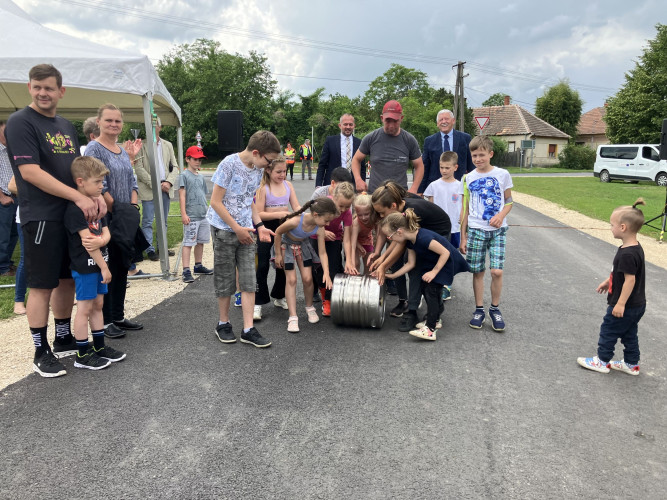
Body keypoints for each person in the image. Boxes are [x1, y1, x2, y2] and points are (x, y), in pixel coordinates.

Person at [5, 64, 106, 378]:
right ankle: (40, 350)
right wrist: (79, 198)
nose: (42, 93)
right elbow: (29, 173)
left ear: (61, 91)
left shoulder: (65, 124)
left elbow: (79, 167)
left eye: (48, 88)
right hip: (41, 217)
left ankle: (63, 337)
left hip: (67, 216)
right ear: (29, 88)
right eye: (37, 87)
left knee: (65, 279)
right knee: (41, 285)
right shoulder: (20, 122)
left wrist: (95, 193)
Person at [207, 130, 279, 348]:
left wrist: (260, 226)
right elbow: (215, 202)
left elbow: (250, 202)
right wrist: (236, 228)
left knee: (249, 279)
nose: (269, 166)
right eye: (268, 161)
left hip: (247, 231)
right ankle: (223, 323)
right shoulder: (228, 164)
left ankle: (248, 329)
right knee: (225, 278)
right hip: (224, 230)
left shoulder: (257, 170)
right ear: (256, 152)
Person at [85, 103, 144, 338]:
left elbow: (132, 180)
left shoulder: (120, 150)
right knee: (107, 268)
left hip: (124, 215)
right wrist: (117, 209)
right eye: (108, 120)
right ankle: (106, 319)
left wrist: (131, 207)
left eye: (117, 121)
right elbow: (98, 183)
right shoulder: (94, 148)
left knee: (121, 265)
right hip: (106, 217)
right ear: (98, 122)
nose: (113, 124)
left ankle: (118, 315)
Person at [64, 156, 126, 369]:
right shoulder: (75, 210)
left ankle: (99, 346)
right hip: (87, 267)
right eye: (97, 182)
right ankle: (82, 354)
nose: (102, 186)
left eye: (102, 182)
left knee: (98, 305)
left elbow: (105, 234)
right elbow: (89, 244)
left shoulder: (98, 206)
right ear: (81, 181)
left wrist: (102, 240)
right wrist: (104, 266)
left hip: (100, 264)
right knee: (84, 308)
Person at [369, 181, 451, 332]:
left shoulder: (412, 212)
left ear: (393, 206)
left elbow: (401, 244)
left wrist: (383, 266)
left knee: (418, 269)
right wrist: (383, 257)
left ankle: (415, 311)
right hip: (419, 233)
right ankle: (406, 302)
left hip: (438, 234)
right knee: (406, 263)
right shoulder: (398, 212)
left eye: (381, 213)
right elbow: (397, 238)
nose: (380, 216)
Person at [577, 199, 647, 375]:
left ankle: (602, 361)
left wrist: (621, 303)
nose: (611, 228)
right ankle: (632, 364)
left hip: (626, 305)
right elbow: (621, 273)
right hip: (638, 304)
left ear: (623, 228)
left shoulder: (627, 254)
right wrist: (608, 282)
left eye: (612, 225)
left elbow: (630, 280)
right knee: (629, 333)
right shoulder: (634, 248)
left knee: (608, 329)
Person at [381, 209, 469, 340]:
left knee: (431, 291)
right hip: (434, 264)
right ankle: (436, 318)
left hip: (444, 264)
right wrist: (393, 276)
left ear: (399, 232)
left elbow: (445, 253)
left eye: (390, 236)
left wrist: (434, 272)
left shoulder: (424, 238)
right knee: (425, 287)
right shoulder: (411, 242)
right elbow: (410, 264)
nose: (390, 239)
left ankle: (430, 328)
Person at [460, 136, 513, 332]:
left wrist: (501, 215)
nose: (478, 159)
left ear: (490, 154)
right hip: (476, 229)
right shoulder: (468, 178)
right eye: (474, 155)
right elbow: (464, 209)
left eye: (482, 155)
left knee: (496, 271)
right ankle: (479, 309)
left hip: (498, 230)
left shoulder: (503, 174)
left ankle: (495, 308)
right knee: (478, 271)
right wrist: (463, 236)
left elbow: (509, 201)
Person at [274, 197, 337, 332]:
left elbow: (322, 252)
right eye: (326, 220)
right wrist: (278, 254)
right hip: (287, 246)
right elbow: (278, 232)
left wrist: (326, 272)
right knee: (291, 280)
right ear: (316, 215)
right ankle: (292, 317)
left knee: (308, 279)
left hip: (303, 246)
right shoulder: (295, 221)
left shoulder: (319, 228)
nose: (327, 224)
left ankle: (309, 308)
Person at [253, 155, 300, 320]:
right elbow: (258, 214)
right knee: (263, 265)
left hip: (283, 228)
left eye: (285, 171)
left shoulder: (288, 185)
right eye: (279, 171)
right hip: (266, 229)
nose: (282, 175)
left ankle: (279, 297)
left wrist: (300, 217)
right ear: (268, 170)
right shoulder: (263, 188)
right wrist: (281, 213)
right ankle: (257, 303)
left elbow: (296, 207)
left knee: (283, 263)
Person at [351, 100, 424, 195]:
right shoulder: (371, 138)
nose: (391, 125)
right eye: (388, 121)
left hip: (399, 197)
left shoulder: (409, 140)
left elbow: (419, 166)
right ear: (382, 118)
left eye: (395, 121)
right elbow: (356, 159)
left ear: (401, 118)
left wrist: (414, 188)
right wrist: (358, 179)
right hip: (375, 195)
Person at [134, 116, 180, 261]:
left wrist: (169, 182)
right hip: (149, 189)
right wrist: (155, 184)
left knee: (163, 220)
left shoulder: (168, 145)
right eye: (150, 125)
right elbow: (139, 168)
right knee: (147, 221)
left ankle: (162, 247)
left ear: (160, 127)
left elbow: (176, 167)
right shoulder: (141, 145)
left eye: (155, 125)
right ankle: (150, 249)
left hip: (166, 188)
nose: (153, 128)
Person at [311, 181, 356, 316]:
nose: (343, 209)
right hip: (315, 236)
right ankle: (323, 292)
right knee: (319, 269)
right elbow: (311, 221)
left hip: (334, 238)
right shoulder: (323, 204)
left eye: (347, 206)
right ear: (334, 198)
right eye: (341, 205)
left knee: (334, 269)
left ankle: (329, 300)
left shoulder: (347, 212)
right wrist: (323, 232)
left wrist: (348, 260)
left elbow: (347, 239)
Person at [424, 151, 464, 301]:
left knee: (451, 256)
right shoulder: (434, 186)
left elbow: (462, 207)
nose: (444, 171)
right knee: (437, 255)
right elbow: (430, 206)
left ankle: (447, 285)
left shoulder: (460, 186)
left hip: (454, 229)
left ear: (455, 167)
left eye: (447, 168)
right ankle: (435, 282)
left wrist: (462, 221)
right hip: (438, 229)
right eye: (442, 167)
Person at [179, 145, 213, 284]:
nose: (198, 162)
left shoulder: (200, 177)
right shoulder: (184, 175)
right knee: (188, 242)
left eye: (200, 159)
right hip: (191, 215)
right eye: (195, 159)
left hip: (203, 214)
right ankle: (186, 269)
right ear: (188, 159)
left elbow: (203, 194)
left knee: (201, 242)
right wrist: (183, 213)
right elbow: (182, 195)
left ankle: (198, 265)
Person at [418, 109, 473, 192]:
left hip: (459, 185)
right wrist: (420, 190)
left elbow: (471, 164)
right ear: (437, 124)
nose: (444, 122)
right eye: (441, 120)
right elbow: (425, 167)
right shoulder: (429, 141)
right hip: (436, 187)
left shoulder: (465, 138)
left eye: (446, 119)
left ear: (453, 121)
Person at [315, 113, 366, 187]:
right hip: (333, 185)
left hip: (353, 186)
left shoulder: (359, 143)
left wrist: (362, 184)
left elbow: (362, 168)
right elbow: (322, 165)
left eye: (350, 124)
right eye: (345, 124)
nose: (348, 127)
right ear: (340, 125)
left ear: (354, 126)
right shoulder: (330, 141)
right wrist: (318, 185)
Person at [0, 120, 18, 277]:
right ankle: (2, 268)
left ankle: (7, 263)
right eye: (5, 132)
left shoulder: (13, 150)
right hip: (3, 198)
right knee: (3, 235)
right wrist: (2, 197)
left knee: (14, 233)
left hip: (15, 197)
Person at [350, 193, 375, 275]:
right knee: (356, 263)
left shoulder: (374, 219)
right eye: (360, 215)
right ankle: (354, 279)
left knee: (369, 264)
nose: (363, 218)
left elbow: (379, 236)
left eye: (366, 214)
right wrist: (352, 264)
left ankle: (366, 282)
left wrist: (376, 253)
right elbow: (353, 244)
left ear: (371, 211)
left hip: (367, 239)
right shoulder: (356, 223)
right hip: (355, 240)